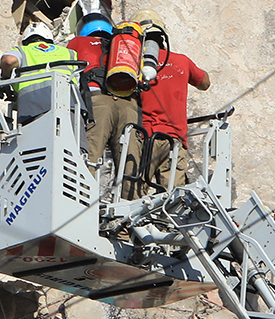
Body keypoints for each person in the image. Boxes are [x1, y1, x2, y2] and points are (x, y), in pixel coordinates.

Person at [136, 15, 210, 192]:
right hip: (174, 140)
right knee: (174, 200)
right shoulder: (181, 61)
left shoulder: (134, 63)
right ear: (163, 39)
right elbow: (205, 83)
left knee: (135, 195)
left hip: (145, 137)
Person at [67, 11, 138, 182]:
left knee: (91, 154)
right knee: (129, 158)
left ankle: (83, 196)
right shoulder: (121, 45)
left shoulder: (78, 41)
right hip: (128, 103)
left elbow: (67, 70)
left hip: (97, 100)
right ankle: (131, 199)